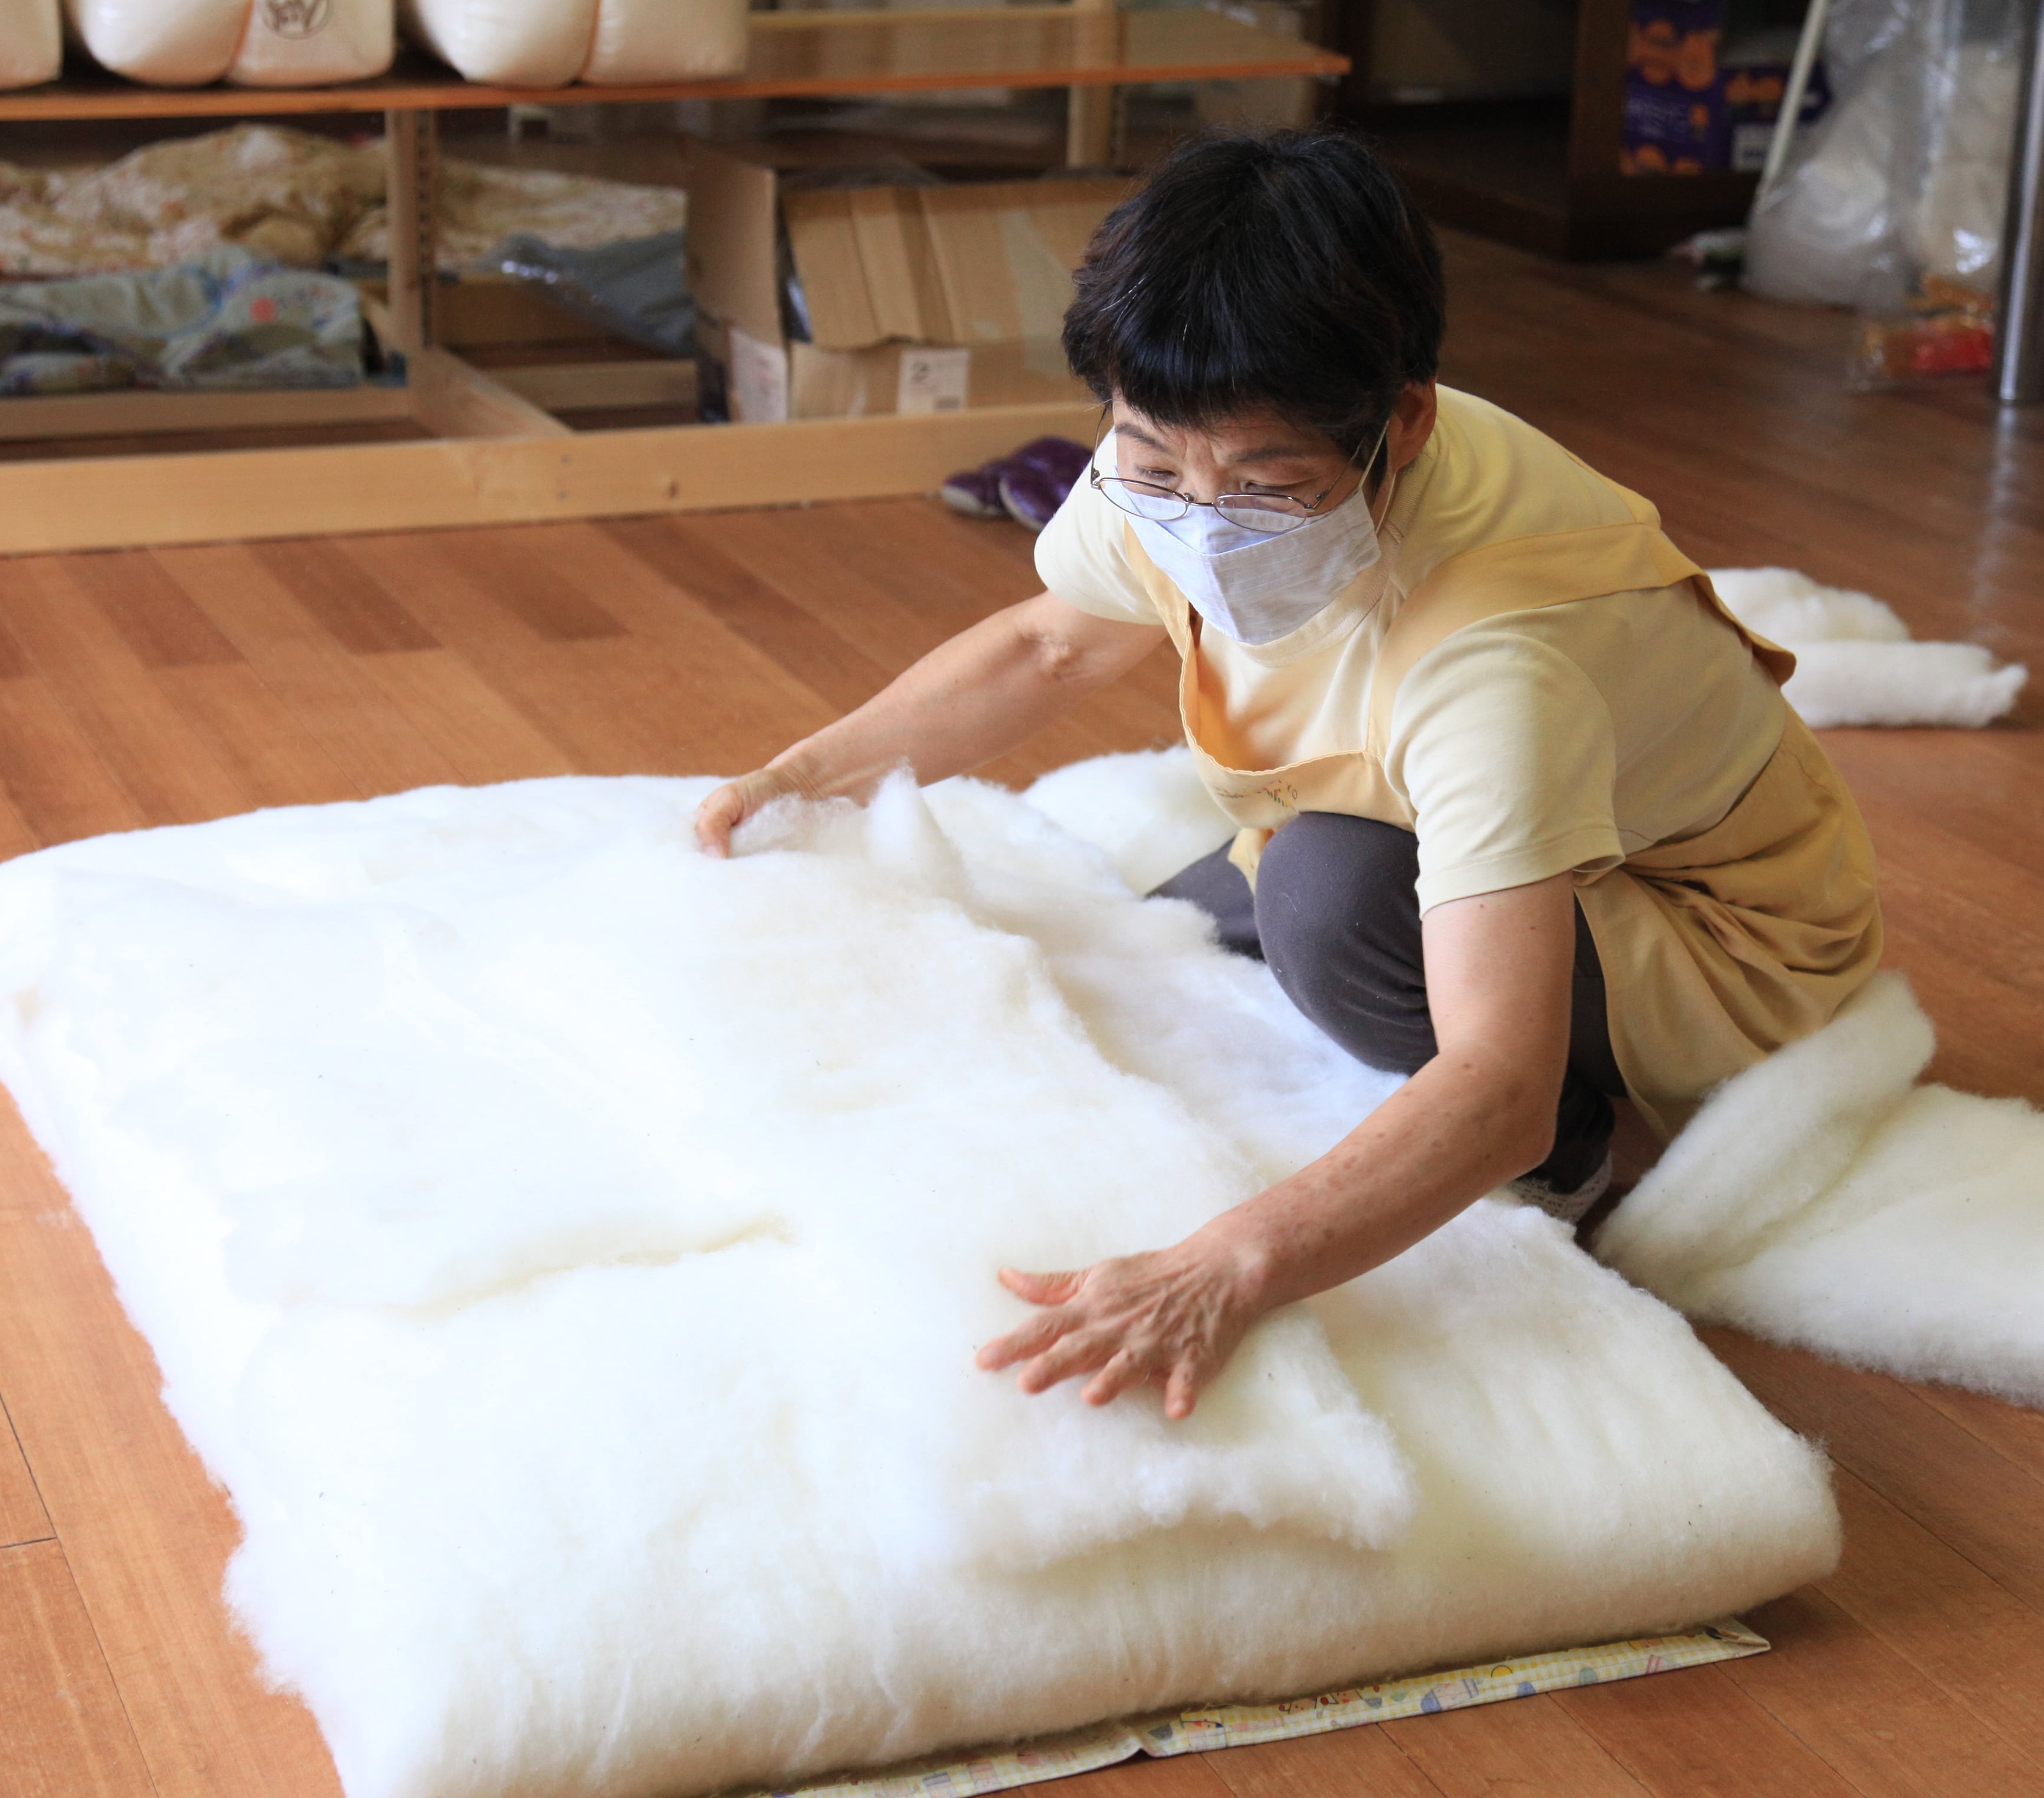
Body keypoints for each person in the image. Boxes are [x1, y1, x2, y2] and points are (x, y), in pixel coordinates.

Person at [694, 129, 1882, 1421]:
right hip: (1469, 809)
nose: (1199, 521)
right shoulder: (1203, 414)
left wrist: (1226, 1265)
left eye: (1265, 488)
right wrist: (800, 776)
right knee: (1158, 955)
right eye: (1155, 466)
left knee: (1317, 900)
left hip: (1710, 931)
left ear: (1403, 426)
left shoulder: (1496, 663)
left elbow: (1496, 1084)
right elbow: (1048, 645)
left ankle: (1588, 1145)